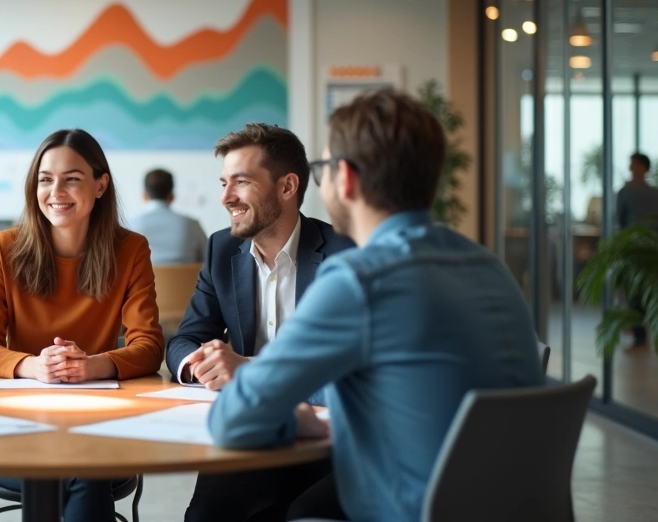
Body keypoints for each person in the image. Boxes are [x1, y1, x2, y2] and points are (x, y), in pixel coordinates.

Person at [209, 89, 544, 522]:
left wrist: (293, 416)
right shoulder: (489, 267)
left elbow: (232, 421)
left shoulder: (359, 279)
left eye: (323, 170)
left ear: (345, 178)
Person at [0, 128, 164, 522]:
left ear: (100, 185)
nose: (56, 192)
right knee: (84, 469)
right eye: (45, 179)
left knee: (84, 462)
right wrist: (34, 366)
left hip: (98, 422)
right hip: (17, 424)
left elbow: (149, 346)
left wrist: (92, 365)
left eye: (71, 179)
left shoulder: (131, 249)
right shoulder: (4, 247)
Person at [163, 123, 354, 522]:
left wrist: (251, 371)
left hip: (330, 441)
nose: (226, 197)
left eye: (242, 182)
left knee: (299, 514)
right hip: (255, 434)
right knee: (204, 516)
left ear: (287, 187)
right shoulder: (221, 249)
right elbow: (184, 340)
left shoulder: (342, 254)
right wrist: (203, 364)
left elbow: (351, 372)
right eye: (224, 183)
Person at [616, 152, 658, 347]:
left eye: (635, 164)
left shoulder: (657, 193)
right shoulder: (624, 192)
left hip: (653, 249)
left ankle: (653, 332)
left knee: (651, 290)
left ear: (645, 167)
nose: (631, 167)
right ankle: (640, 334)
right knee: (634, 291)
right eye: (631, 164)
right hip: (634, 248)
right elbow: (620, 223)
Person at [128, 169, 208, 264]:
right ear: (172, 196)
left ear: (144, 195)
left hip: (143, 274)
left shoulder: (130, 225)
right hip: (185, 274)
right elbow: (208, 259)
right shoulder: (192, 225)